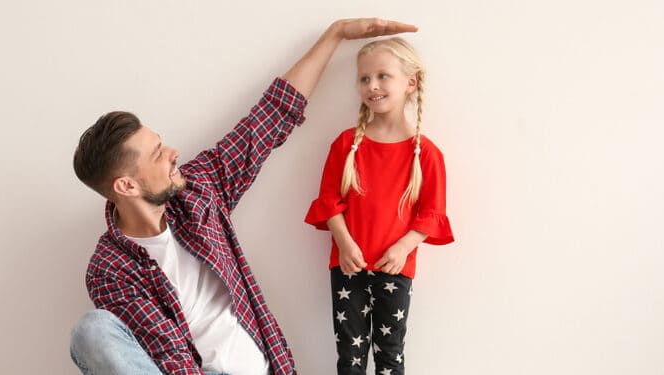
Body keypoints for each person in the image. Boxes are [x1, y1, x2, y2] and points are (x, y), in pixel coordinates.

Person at [69, 18, 418, 375]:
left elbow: (269, 118)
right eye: (157, 154)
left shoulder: (198, 191)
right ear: (126, 186)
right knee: (92, 332)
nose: (173, 152)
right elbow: (170, 356)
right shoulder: (110, 268)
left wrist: (336, 34)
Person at [303, 37, 455, 375]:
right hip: (348, 267)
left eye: (383, 76)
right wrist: (344, 244)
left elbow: (432, 214)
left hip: (393, 269)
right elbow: (329, 202)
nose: (372, 85)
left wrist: (403, 248)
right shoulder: (346, 144)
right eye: (364, 78)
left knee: (390, 355)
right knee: (350, 358)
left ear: (410, 82)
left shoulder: (426, 153)